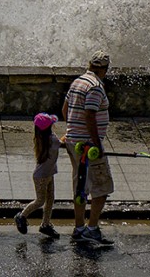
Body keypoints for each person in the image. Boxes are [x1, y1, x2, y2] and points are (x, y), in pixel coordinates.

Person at [62, 50, 114, 244]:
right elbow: (90, 115)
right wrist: (97, 144)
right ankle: (92, 229)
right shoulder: (95, 87)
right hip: (89, 147)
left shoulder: (78, 82)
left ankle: (78, 228)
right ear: (105, 70)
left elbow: (65, 109)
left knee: (80, 186)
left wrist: (70, 131)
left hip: (74, 144)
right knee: (101, 187)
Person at [13, 112, 61, 238]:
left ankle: (45, 224)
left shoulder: (42, 139)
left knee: (50, 199)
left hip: (48, 173)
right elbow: (63, 143)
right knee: (41, 200)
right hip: (42, 176)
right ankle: (21, 216)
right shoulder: (53, 140)